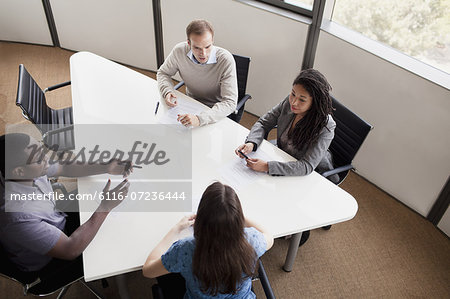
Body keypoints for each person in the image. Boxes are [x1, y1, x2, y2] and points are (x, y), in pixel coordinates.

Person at [0, 133, 131, 273]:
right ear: (19, 171)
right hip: (51, 259)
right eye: (39, 159)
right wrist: (105, 207)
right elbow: (70, 249)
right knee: (118, 240)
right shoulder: (17, 217)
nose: (46, 158)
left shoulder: (25, 167)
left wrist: (106, 167)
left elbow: (63, 167)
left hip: (54, 217)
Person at [142, 181, 273, 298]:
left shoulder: (185, 249)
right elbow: (269, 236)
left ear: (201, 219)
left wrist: (175, 229)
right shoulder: (251, 241)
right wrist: (233, 217)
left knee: (167, 277)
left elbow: (148, 270)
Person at [235, 68, 339, 184]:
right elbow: (263, 123)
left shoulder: (326, 126)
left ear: (314, 103)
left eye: (302, 100)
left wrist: (267, 167)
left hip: (309, 173)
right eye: (293, 94)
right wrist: (252, 143)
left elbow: (307, 166)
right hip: (282, 156)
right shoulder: (288, 102)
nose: (294, 102)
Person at [157, 19, 238, 127]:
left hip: (215, 112)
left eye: (207, 47)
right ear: (189, 43)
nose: (203, 54)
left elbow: (230, 102)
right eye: (197, 48)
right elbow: (163, 73)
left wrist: (200, 119)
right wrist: (167, 91)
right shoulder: (179, 51)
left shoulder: (225, 60)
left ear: (212, 41)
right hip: (190, 103)